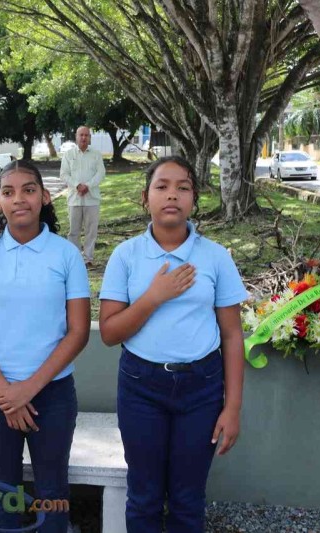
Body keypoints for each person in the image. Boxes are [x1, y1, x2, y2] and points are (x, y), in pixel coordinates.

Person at [98, 156, 247, 533]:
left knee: (187, 498)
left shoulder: (215, 257)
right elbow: (109, 333)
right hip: (141, 388)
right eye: (161, 186)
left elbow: (232, 335)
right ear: (145, 197)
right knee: (144, 496)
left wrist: (232, 407)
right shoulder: (126, 256)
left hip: (202, 389)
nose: (172, 195)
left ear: (194, 199)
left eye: (183, 187)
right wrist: (154, 296)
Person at [0, 160, 91, 532]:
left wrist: (28, 390)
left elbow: (78, 331)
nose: (19, 199)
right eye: (8, 192)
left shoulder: (66, 255)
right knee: (3, 493)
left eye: (28, 190)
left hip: (52, 394)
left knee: (52, 492)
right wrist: (7, 392)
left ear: (44, 197)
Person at [60, 126, 106, 267]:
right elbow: (64, 174)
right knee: (73, 231)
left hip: (92, 199)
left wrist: (88, 186)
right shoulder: (69, 154)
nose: (84, 137)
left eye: (86, 135)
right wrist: (77, 185)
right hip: (74, 199)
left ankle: (88, 259)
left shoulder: (96, 154)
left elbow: (101, 173)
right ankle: (75, 259)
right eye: (81, 135)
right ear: (76, 136)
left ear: (90, 137)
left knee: (91, 231)